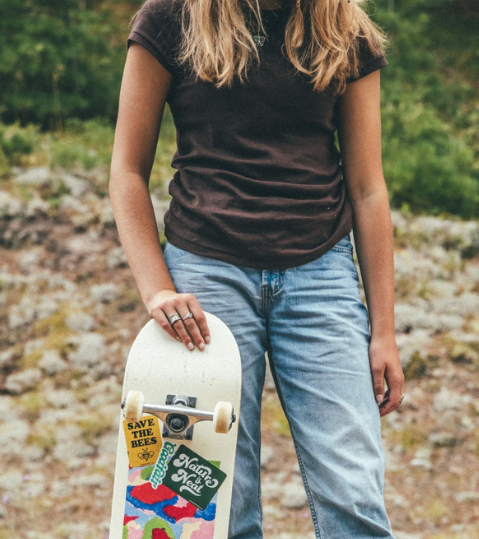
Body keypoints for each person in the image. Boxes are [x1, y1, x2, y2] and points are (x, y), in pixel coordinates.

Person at [109, 0, 405, 536]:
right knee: (211, 503)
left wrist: (382, 331)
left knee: (353, 495)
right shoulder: (170, 17)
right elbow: (127, 171)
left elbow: (368, 188)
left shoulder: (344, 25)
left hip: (322, 276)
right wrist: (156, 290)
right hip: (205, 276)